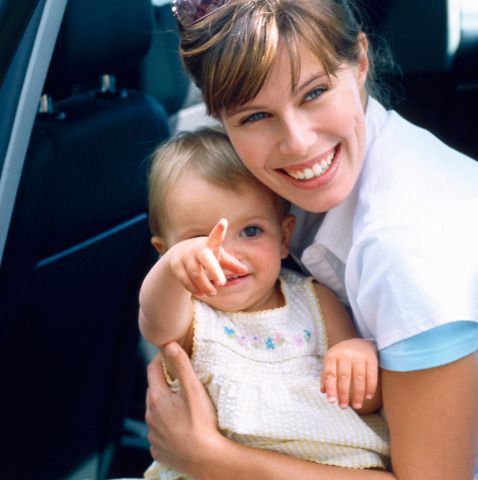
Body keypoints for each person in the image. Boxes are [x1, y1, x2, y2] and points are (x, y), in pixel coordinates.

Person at [145, 0, 478, 479]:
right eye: (254, 117)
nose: (298, 142)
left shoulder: (406, 251)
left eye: (314, 92)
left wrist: (209, 459)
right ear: (217, 119)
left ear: (360, 62)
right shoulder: (280, 183)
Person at [140, 126, 392, 479]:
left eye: (251, 231)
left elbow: (365, 401)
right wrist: (172, 272)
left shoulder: (315, 299)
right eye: (199, 241)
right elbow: (153, 316)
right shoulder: (191, 317)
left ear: (284, 236)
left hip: (329, 465)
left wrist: (358, 355)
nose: (226, 255)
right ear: (165, 253)